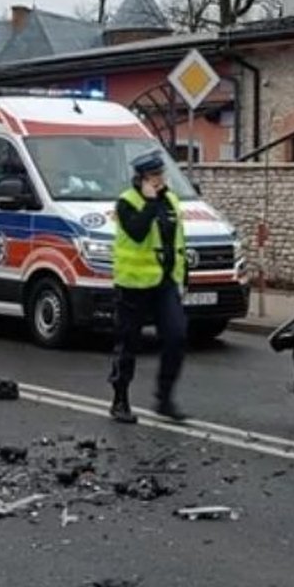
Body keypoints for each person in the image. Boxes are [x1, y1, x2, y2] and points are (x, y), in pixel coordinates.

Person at [108, 150, 189, 425]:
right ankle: (120, 400)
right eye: (153, 176)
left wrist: (183, 281)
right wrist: (150, 203)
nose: (159, 180)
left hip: (165, 282)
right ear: (141, 178)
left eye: (161, 174)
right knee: (128, 343)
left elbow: (179, 243)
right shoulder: (126, 203)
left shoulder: (172, 201)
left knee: (177, 336)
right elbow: (138, 231)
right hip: (133, 284)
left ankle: (164, 398)